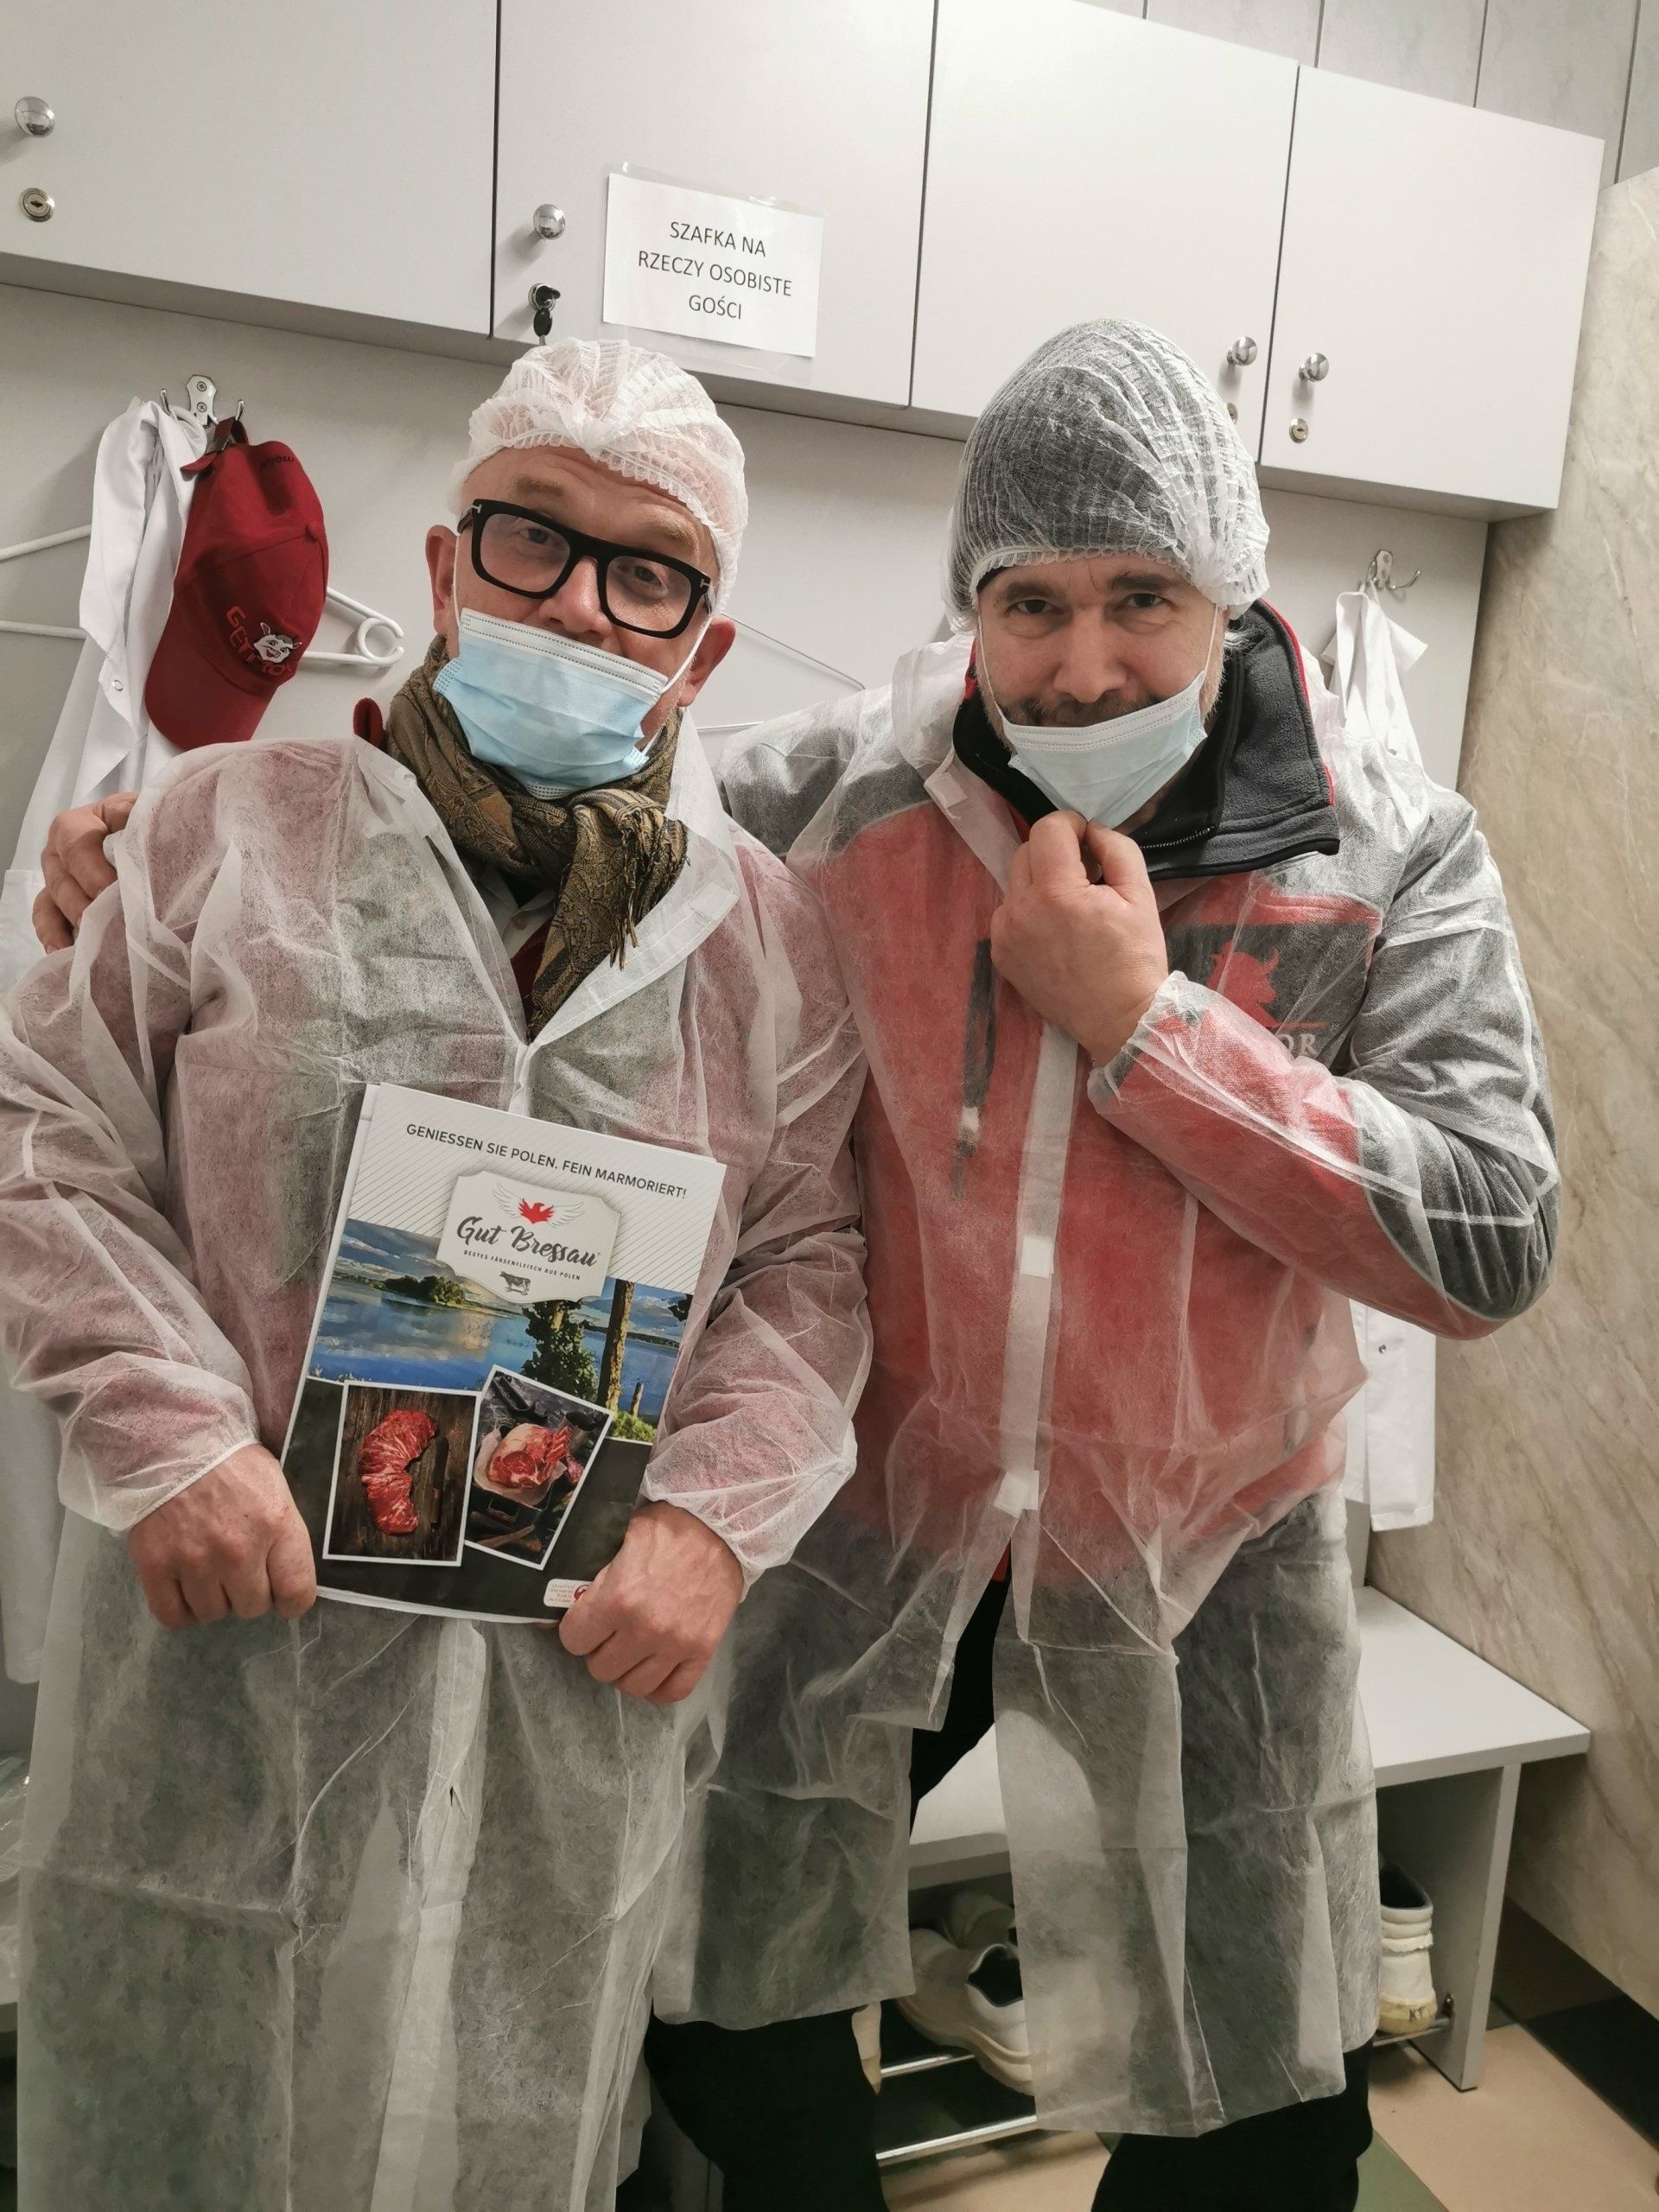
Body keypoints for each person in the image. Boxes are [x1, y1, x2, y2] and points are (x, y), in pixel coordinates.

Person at [636, 321, 1560, 2212]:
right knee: (722, 1978)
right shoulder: (838, 799)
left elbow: (1490, 1234)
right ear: (968, 607)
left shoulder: (1388, 852)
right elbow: (559, 852)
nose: (1081, 665)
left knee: (1254, 2103)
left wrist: (1150, 1030)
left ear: (1234, 587)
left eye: (1144, 597)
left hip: (1204, 1543)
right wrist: (174, 842)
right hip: (881, 1510)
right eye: (1029, 602)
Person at [0, 339, 871, 2212]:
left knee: (499, 2117)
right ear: (448, 560)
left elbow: (809, 1262)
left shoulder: (765, 940)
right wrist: (168, 1434)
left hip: (570, 1670)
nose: (580, 603)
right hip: (236, 1635)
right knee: (193, 2102)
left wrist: (712, 1521)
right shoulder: (216, 832)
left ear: (704, 647)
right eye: (532, 537)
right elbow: (47, 1131)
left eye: (649, 574)